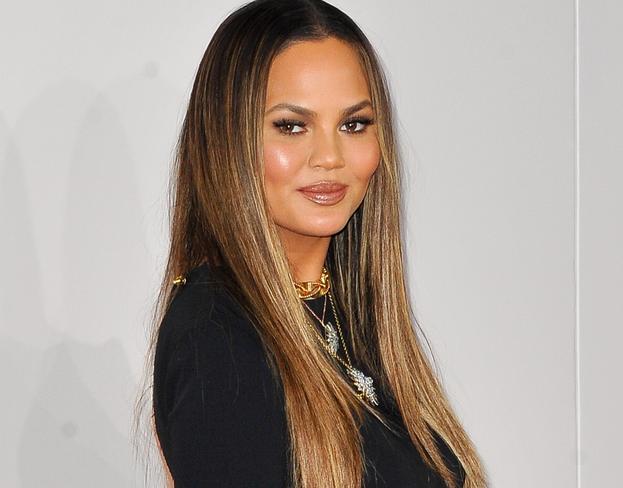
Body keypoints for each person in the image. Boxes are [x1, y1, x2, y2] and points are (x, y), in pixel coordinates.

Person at [133, 0, 488, 487]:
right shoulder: (217, 336)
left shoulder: (351, 316)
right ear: (227, 139)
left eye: (354, 124)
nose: (330, 156)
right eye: (291, 126)